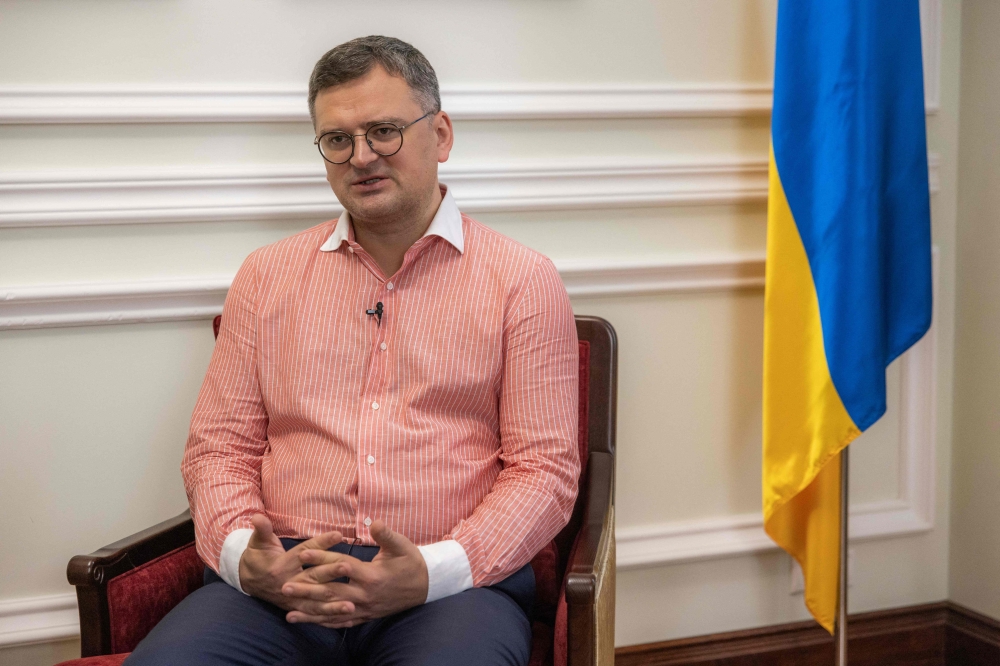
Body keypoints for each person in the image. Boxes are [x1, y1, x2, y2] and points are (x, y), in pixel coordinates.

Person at [124, 35, 580, 666]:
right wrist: (243, 558)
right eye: (338, 139)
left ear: (441, 134)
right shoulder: (265, 275)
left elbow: (545, 471)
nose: (362, 156)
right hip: (281, 581)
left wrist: (433, 570)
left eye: (385, 131)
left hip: (448, 591)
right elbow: (218, 447)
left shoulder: (522, 280)